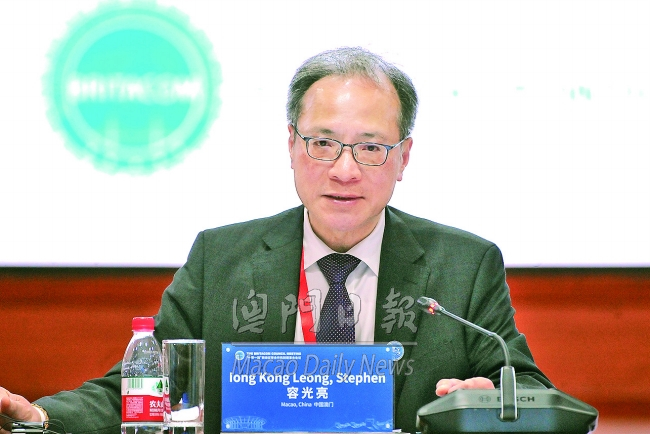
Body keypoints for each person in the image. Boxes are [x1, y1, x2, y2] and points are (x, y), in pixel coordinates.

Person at [0, 47, 552, 434]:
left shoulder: (464, 266)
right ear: (291, 145)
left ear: (403, 157)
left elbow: (527, 388)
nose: (344, 170)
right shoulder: (220, 259)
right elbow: (147, 387)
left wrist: (489, 403)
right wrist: (44, 418)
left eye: (370, 147)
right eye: (322, 143)